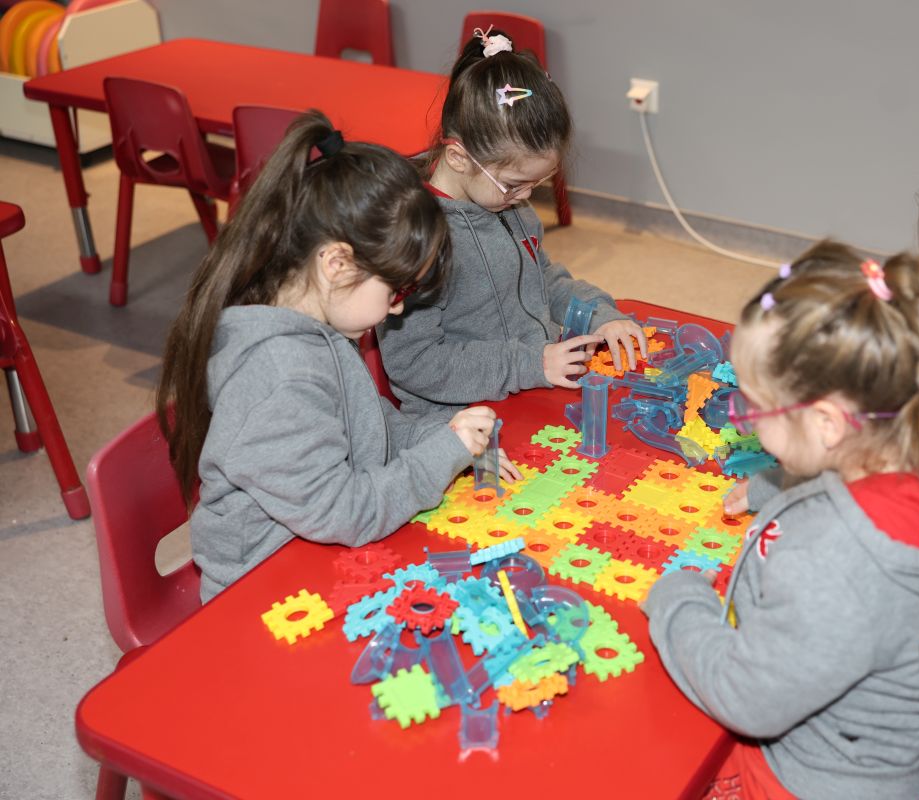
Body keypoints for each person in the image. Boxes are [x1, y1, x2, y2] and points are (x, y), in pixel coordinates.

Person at [644, 241, 919, 799]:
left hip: (815, 780)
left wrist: (677, 601)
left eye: (755, 408)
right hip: (895, 752)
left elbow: (746, 697)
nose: (746, 422)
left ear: (829, 424)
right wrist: (773, 484)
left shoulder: (829, 563)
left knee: (651, 752)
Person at [157, 110, 516, 603]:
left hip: (316, 554)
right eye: (397, 290)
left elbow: (371, 425)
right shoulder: (282, 376)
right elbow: (347, 513)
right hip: (264, 591)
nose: (399, 308)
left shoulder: (323, 328)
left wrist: (444, 438)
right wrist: (443, 454)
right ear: (337, 264)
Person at [378, 26, 646, 418]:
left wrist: (598, 315)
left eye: (538, 183)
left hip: (529, 387)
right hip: (462, 419)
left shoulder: (509, 206)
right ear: (459, 158)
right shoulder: (417, 242)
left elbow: (543, 280)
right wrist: (531, 364)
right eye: (515, 184)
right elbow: (415, 363)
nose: (526, 197)